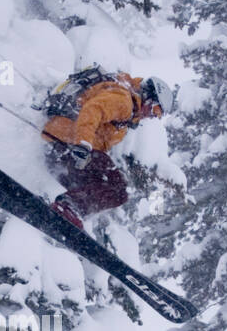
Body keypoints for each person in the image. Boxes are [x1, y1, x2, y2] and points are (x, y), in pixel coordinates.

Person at [42, 71, 172, 228]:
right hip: (67, 143)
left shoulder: (129, 114)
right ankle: (68, 207)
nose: (152, 116)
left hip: (59, 151)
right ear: (149, 98)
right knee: (118, 190)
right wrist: (83, 143)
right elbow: (92, 110)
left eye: (158, 115)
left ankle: (64, 211)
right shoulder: (123, 100)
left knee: (94, 187)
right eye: (156, 110)